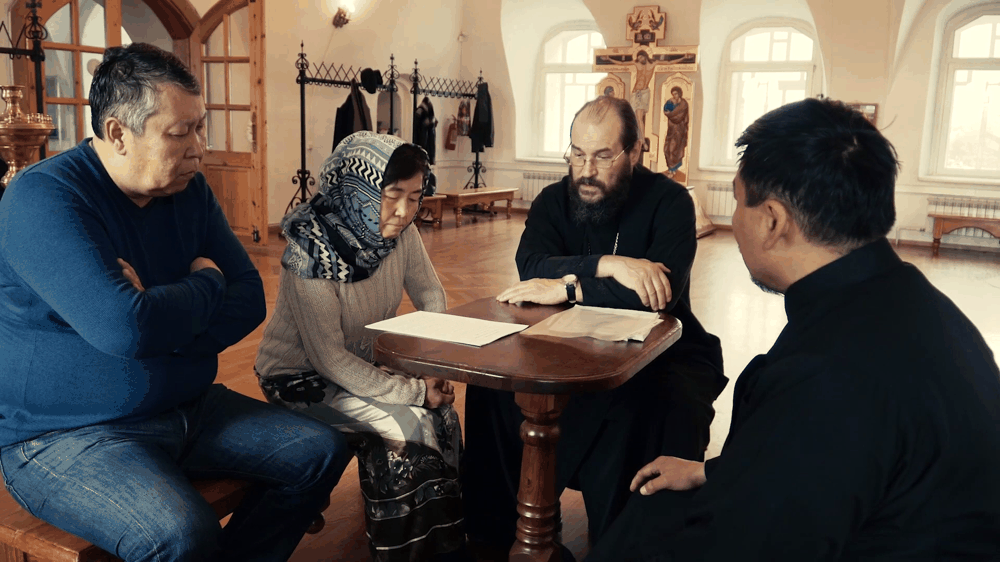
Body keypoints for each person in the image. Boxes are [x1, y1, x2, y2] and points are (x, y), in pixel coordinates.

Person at [585, 97, 1000, 561]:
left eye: (738, 201)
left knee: (644, 523)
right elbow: (833, 464)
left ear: (773, 221)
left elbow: (760, 537)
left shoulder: (832, 374)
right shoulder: (900, 297)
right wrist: (718, 472)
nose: (734, 220)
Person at [0, 43, 351, 562]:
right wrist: (206, 282)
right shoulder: (44, 198)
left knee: (319, 451)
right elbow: (126, 329)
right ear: (118, 133)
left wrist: (156, 319)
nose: (199, 148)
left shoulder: (189, 190)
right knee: (180, 534)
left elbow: (249, 299)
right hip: (66, 435)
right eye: (180, 132)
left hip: (189, 406)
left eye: (200, 127)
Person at [464, 96, 727, 555]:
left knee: (650, 406)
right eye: (578, 153)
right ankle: (501, 535)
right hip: (561, 341)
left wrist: (568, 288)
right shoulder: (553, 200)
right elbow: (531, 267)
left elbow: (658, 296)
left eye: (603, 156)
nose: (586, 170)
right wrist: (609, 264)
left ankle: (622, 546)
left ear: (635, 151)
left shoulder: (669, 202)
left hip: (661, 347)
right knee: (491, 387)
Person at [254, 131, 467, 562]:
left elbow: (431, 295)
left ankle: (444, 544)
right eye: (392, 196)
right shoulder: (310, 252)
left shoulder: (402, 235)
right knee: (407, 430)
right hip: (298, 378)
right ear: (358, 190)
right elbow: (329, 359)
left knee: (442, 417)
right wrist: (413, 390)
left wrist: (431, 365)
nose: (404, 212)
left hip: (360, 365)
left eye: (415, 198)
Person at [662, 86, 689, 177]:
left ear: (679, 93)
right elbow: (666, 110)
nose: (674, 96)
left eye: (676, 94)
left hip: (679, 131)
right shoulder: (671, 101)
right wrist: (670, 105)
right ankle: (670, 169)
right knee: (667, 149)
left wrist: (670, 114)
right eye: (673, 94)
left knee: (674, 149)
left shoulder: (683, 104)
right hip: (671, 130)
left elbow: (679, 117)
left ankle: (673, 169)